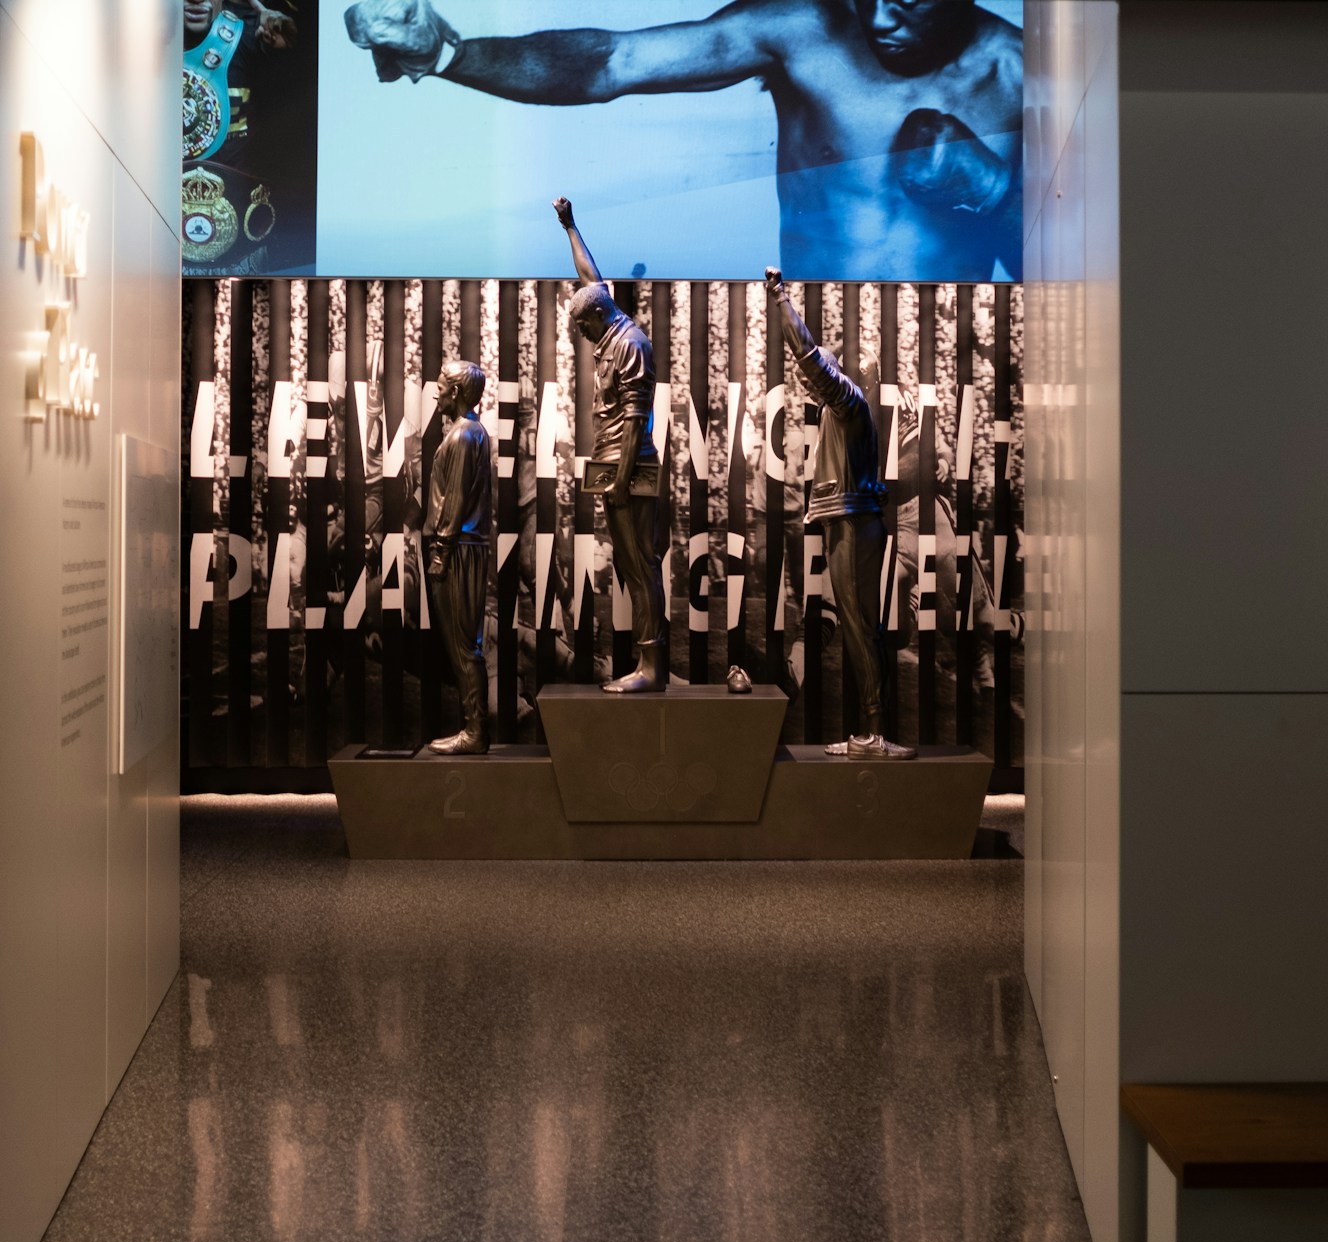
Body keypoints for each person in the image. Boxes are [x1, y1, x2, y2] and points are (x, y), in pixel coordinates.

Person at [341, 0, 1020, 281]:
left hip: (942, 367)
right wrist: (447, 55)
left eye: (906, 1)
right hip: (804, 343)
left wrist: (993, 192)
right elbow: (610, 61)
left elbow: (1073, 278)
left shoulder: (1024, 76)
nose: (876, 18)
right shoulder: (805, 27)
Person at [767, 266, 915, 760]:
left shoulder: (849, 402)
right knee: (856, 625)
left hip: (853, 521)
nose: (812, 384)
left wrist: (782, 299)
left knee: (858, 626)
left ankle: (875, 731)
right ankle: (870, 730)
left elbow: (808, 356)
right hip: (849, 519)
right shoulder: (846, 410)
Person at [555, 197, 670, 694]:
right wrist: (570, 227)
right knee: (629, 564)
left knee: (641, 566)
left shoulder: (632, 345)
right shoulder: (608, 321)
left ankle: (652, 668)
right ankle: (649, 663)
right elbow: (590, 277)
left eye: (583, 326)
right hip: (613, 467)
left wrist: (621, 483)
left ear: (600, 316)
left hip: (631, 469)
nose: (580, 334)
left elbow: (635, 419)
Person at [424, 360, 495, 755]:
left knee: (464, 645)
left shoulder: (465, 435)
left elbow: (453, 500)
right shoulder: (467, 433)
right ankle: (473, 729)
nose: (436, 393)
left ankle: (474, 732)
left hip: (459, 550)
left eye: (441, 386)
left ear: (457, 392)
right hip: (463, 547)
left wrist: (441, 551)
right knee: (463, 645)